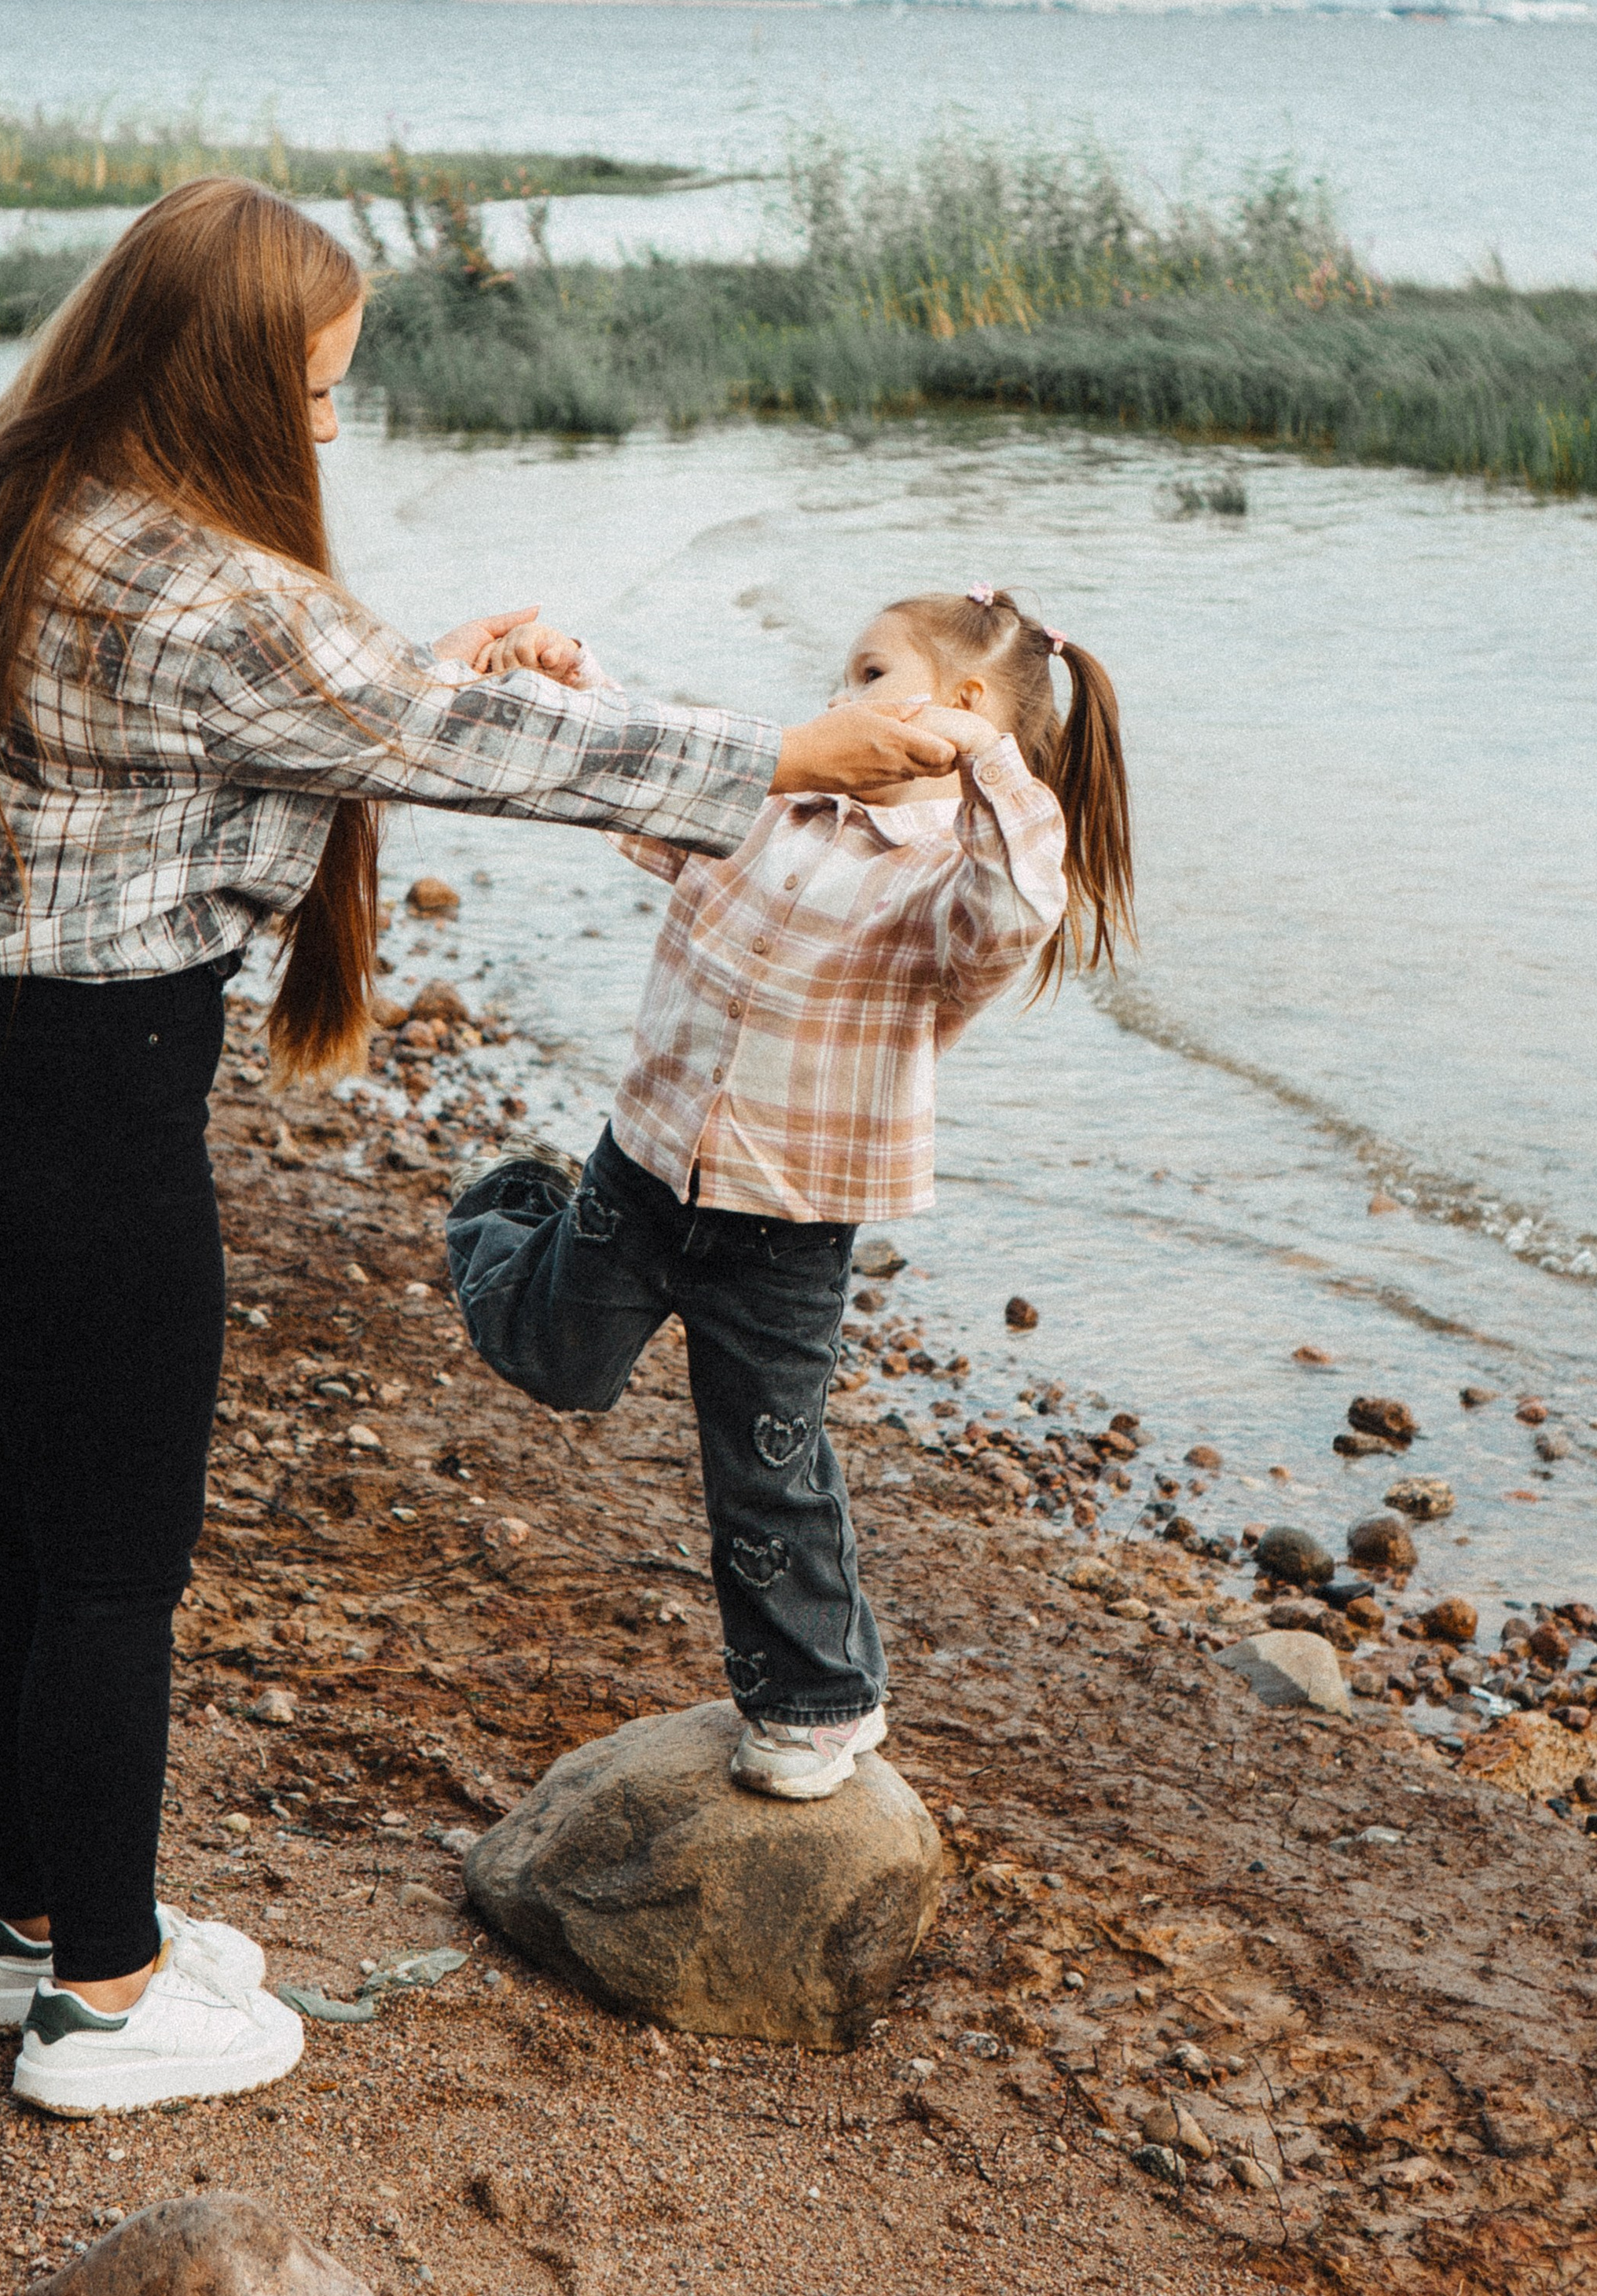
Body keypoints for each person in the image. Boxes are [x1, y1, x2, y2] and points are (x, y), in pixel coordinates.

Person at [0, 177, 956, 2118]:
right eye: (314, 393)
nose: (329, 430)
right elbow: (441, 739)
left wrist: (426, 680)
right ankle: (103, 1994)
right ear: (216, 382)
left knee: (27, 1525)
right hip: (68, 1111)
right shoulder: (200, 577)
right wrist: (791, 752)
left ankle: (38, 1935)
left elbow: (275, 728)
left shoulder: (26, 492)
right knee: (108, 1560)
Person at [443, 582, 1133, 1796]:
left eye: (870, 676)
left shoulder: (952, 888)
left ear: (961, 707)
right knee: (554, 1361)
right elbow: (646, 781)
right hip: (642, 1168)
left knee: (769, 1460)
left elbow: (1023, 904)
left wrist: (991, 768)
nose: (837, 697)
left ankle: (816, 1702)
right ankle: (509, 1207)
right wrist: (568, 677)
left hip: (789, 1225)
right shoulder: (774, 808)